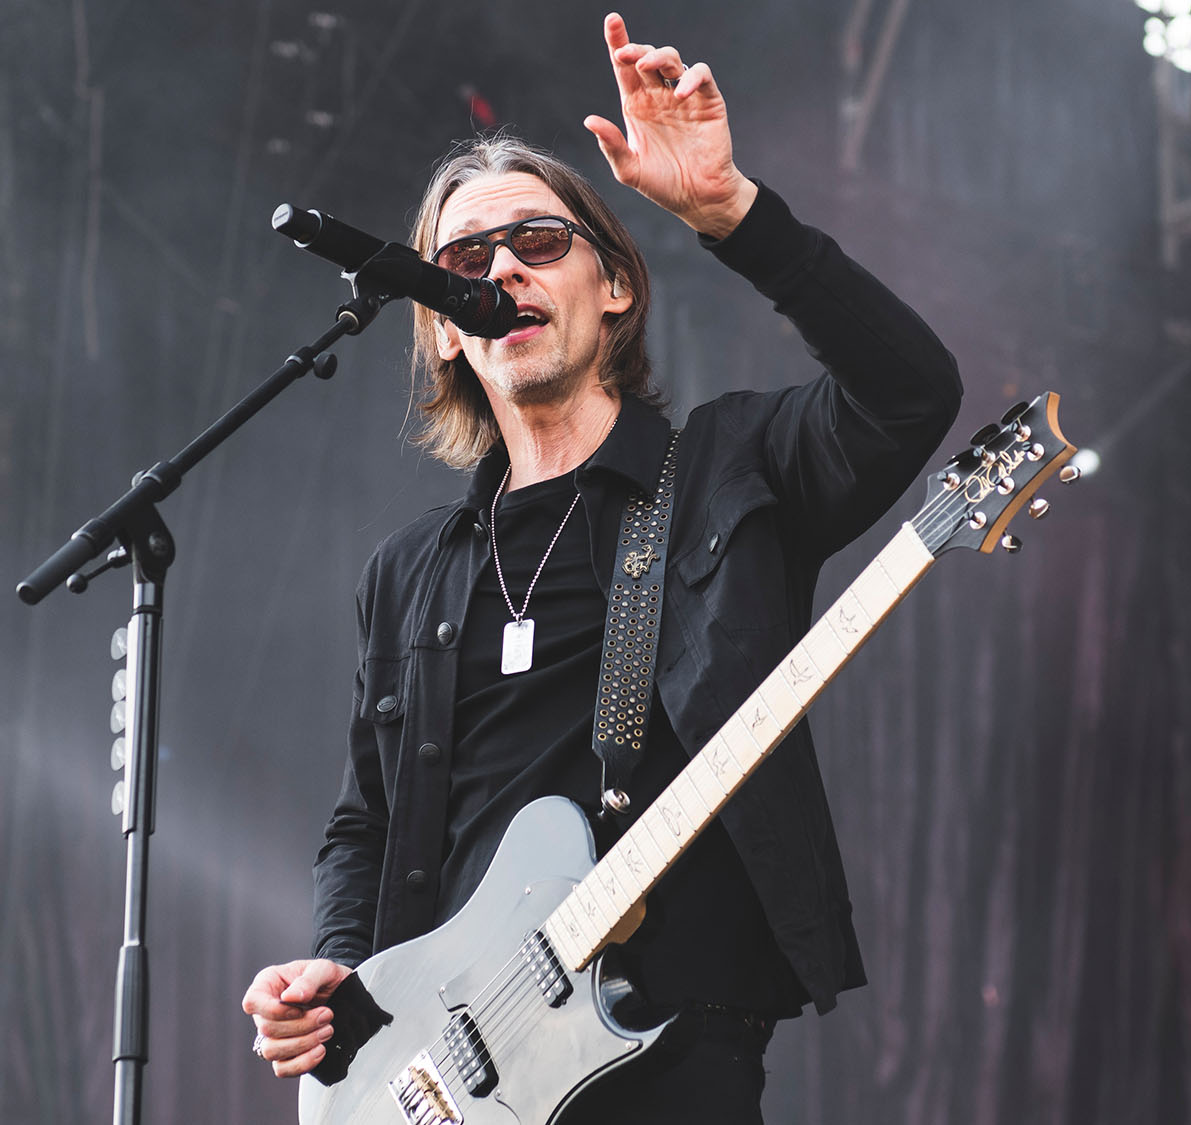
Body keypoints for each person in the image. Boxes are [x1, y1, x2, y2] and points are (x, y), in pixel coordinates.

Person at [242, 12, 961, 1121]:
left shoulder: (731, 470)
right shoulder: (410, 572)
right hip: (457, 1077)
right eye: (465, 262)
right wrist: (342, 969)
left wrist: (736, 216)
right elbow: (366, 821)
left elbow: (911, 392)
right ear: (441, 328)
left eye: (537, 243)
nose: (501, 274)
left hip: (669, 1059)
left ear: (613, 286)